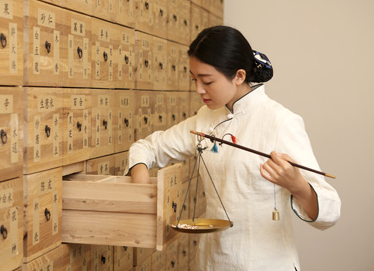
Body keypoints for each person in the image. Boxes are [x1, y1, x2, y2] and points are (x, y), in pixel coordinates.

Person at [127, 25, 341, 270]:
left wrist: (298, 186)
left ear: (239, 76)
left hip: (266, 263)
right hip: (213, 261)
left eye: (207, 81)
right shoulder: (205, 119)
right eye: (194, 79)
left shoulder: (280, 122)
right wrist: (141, 182)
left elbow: (331, 211)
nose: (198, 89)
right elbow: (147, 148)